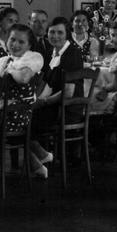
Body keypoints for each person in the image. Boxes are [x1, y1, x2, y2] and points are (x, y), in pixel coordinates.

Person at [30, 17, 85, 178]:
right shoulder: (50, 52)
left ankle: (39, 158)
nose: (55, 36)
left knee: (22, 120)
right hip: (55, 106)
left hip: (67, 108)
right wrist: (33, 99)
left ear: (67, 34)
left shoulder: (72, 53)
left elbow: (68, 93)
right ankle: (41, 157)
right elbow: (43, 81)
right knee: (21, 116)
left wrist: (42, 103)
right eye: (52, 32)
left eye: (60, 33)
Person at [0, 23, 45, 169]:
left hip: (18, 115)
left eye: (21, 42)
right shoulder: (3, 60)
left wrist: (10, 70)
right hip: (4, 111)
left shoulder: (32, 58)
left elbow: (24, 78)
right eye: (12, 40)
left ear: (29, 45)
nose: (15, 45)